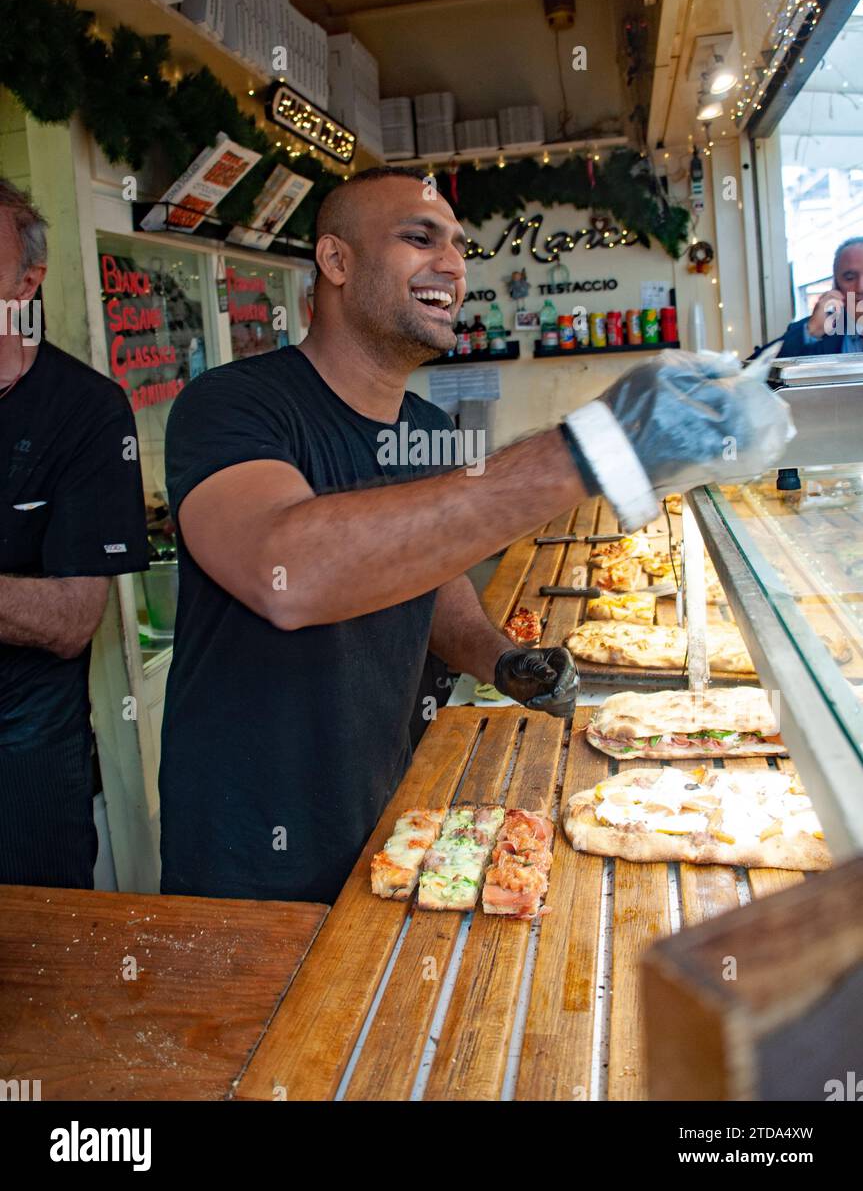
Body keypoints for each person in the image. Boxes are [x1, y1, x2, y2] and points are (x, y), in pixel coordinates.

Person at [159, 166, 792, 906]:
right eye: (419, 238)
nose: (453, 265)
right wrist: (589, 450)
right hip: (249, 842)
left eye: (459, 246)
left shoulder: (428, 430)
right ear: (335, 261)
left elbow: (431, 583)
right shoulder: (233, 404)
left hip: (385, 801)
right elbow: (288, 575)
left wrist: (503, 660)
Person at [0, 179, 149, 888]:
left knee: (37, 959)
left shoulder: (86, 413)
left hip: (21, 746)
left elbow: (71, 619)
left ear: (26, 282)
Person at [778, 238, 863, 356]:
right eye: (849, 277)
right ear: (836, 286)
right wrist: (811, 331)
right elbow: (752, 368)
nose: (860, 288)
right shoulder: (817, 327)